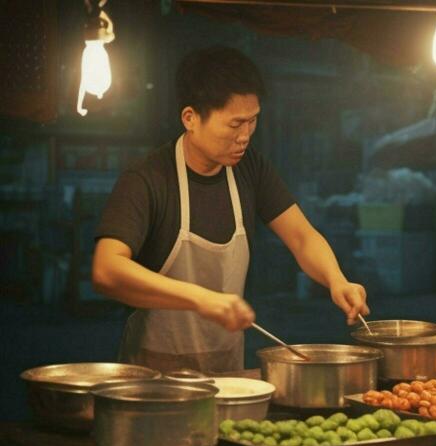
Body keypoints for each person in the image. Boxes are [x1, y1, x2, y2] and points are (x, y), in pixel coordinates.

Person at [91, 47, 369, 374]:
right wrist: (199, 298)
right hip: (153, 377)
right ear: (190, 118)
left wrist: (336, 279)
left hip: (227, 369)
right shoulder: (148, 179)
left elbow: (302, 237)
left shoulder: (250, 169)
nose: (245, 137)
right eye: (235, 124)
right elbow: (106, 270)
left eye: (252, 122)